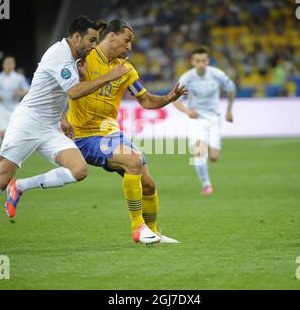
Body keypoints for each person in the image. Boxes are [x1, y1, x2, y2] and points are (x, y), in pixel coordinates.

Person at [0, 16, 130, 253]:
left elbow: (54, 92)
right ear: (76, 36)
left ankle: (21, 186)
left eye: (96, 40)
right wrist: (109, 76)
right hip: (26, 122)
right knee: (0, 179)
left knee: (79, 170)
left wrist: (63, 118)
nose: (93, 45)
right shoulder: (59, 55)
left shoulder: (75, 57)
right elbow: (74, 92)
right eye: (91, 40)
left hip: (48, 127)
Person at [23, 19, 186, 245]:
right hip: (84, 136)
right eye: (127, 40)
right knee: (132, 162)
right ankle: (138, 228)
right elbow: (56, 87)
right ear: (111, 36)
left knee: (148, 183)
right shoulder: (83, 59)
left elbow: (146, 101)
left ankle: (154, 232)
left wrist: (170, 97)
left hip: (111, 133)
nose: (129, 47)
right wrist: (62, 117)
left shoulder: (125, 69)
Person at [174, 47, 236, 195]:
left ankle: (205, 146)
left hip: (214, 118)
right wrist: (188, 111)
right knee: (199, 152)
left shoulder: (217, 74)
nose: (201, 64)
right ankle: (206, 184)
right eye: (198, 61)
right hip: (195, 118)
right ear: (192, 62)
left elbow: (232, 88)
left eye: (204, 60)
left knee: (213, 157)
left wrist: (229, 110)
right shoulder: (186, 78)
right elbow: (174, 100)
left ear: (208, 61)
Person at [0, 56, 29, 138]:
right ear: (3, 65)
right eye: (7, 63)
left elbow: (27, 91)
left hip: (15, 106)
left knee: (15, 131)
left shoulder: (19, 77)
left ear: (14, 65)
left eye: (11, 63)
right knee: (3, 132)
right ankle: (5, 148)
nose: (9, 65)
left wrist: (20, 92)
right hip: (1, 107)